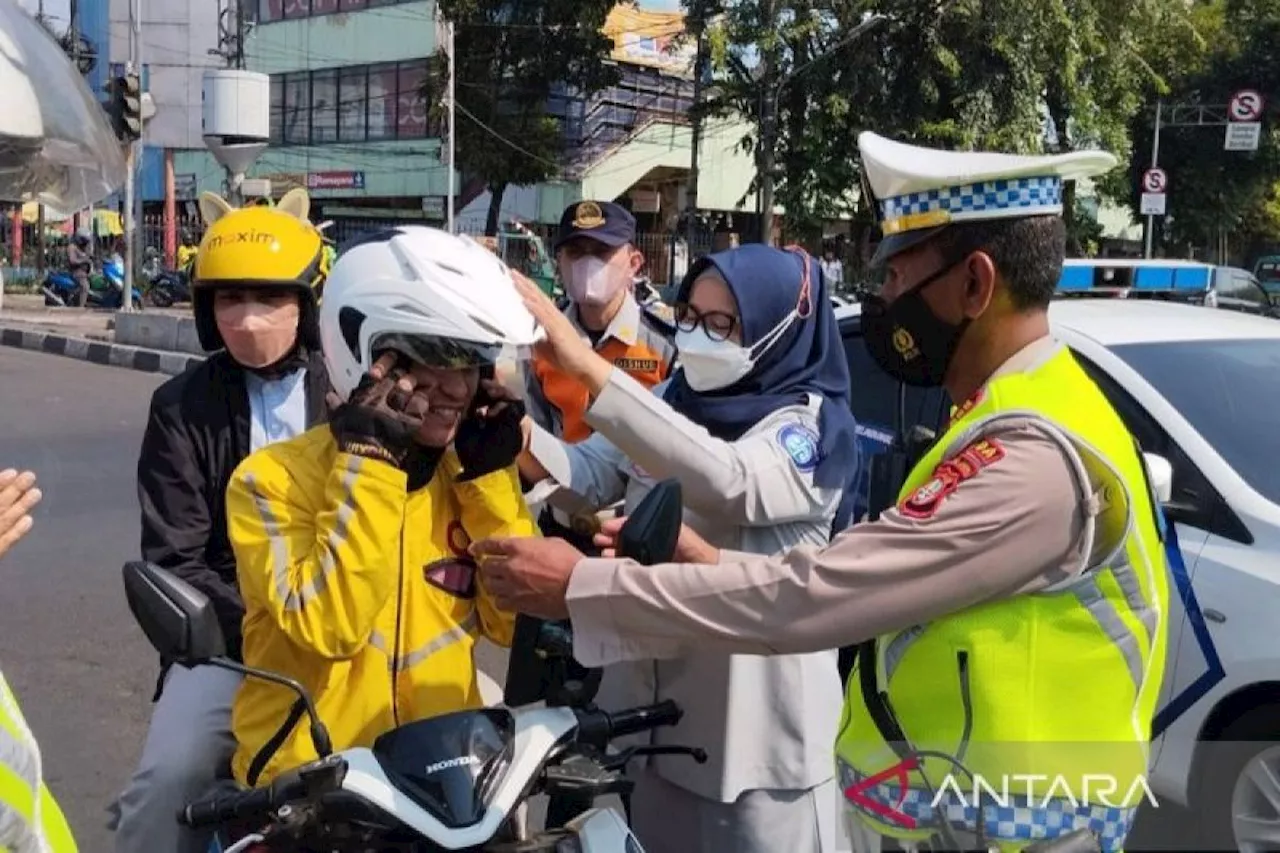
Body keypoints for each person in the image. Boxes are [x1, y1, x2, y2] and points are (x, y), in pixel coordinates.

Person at [474, 132, 1171, 853]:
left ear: (975, 284)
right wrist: (693, 552)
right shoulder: (999, 416)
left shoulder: (1030, 456)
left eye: (900, 277)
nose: (885, 301)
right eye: (696, 319)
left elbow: (812, 592)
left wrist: (585, 585)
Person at [510, 243, 860, 852]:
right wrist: (514, 431)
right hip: (657, 729)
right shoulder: (675, 397)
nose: (699, 338)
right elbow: (590, 474)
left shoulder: (810, 427)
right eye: (690, 318)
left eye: (722, 324)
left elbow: (728, 482)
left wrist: (590, 371)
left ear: (781, 327)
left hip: (755, 750)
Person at [223, 226, 537, 786]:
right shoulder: (268, 481)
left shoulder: (465, 477)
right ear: (365, 355)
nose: (457, 389)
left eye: (470, 365)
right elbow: (332, 626)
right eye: (434, 360)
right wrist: (371, 463)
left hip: (440, 779)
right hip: (312, 782)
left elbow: (513, 624)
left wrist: (489, 483)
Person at [111, 189, 332, 853]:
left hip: (352, 636)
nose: (247, 317)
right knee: (164, 785)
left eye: (268, 298)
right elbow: (175, 557)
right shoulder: (180, 407)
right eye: (229, 300)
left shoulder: (356, 392)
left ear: (307, 304)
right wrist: (268, 629)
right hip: (228, 647)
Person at [526, 201, 677, 547]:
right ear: (560, 263)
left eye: (602, 251)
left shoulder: (666, 345)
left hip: (635, 530)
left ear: (634, 263)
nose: (587, 263)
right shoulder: (538, 342)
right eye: (575, 252)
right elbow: (536, 430)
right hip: (557, 524)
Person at [66, 232, 92, 307]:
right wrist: (84, 261)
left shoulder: (82, 247)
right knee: (85, 287)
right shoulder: (72, 247)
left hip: (84, 272)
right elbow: (72, 260)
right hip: (76, 272)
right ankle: (81, 307)